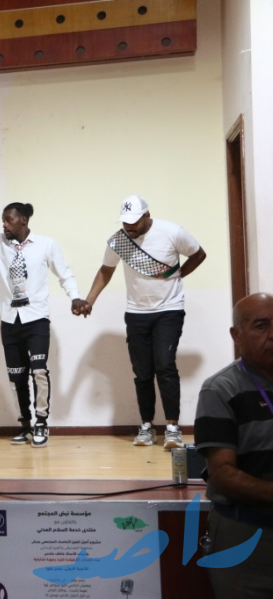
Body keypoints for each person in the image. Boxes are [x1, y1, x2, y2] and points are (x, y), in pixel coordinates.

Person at [0, 185, 88, 448]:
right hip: (9, 321)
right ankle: (25, 424)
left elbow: (65, 274)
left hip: (36, 320)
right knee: (16, 376)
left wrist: (75, 297)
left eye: (8, 220)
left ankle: (41, 422)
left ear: (22, 220)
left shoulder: (46, 245)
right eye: (2, 220)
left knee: (39, 371)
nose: (3, 224)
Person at [82, 195, 206, 449]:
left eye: (134, 221)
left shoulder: (172, 232)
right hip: (136, 312)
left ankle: (172, 428)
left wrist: (177, 275)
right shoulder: (120, 240)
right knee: (142, 372)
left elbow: (198, 254)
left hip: (169, 310)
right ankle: (147, 426)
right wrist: (89, 300)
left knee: (165, 365)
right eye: (125, 222)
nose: (129, 226)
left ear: (147, 216)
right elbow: (106, 270)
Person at [194, 292, 273, 598]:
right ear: (236, 336)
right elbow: (224, 476)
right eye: (261, 325)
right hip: (247, 538)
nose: (272, 334)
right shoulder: (220, 390)